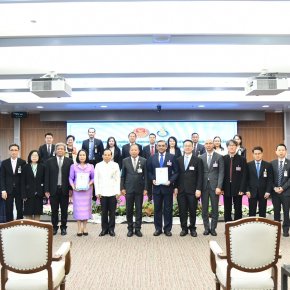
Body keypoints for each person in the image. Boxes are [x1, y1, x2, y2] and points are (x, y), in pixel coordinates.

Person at [147, 140, 179, 237]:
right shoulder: (152, 158)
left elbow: (176, 172)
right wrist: (152, 179)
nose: (161, 147)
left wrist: (170, 181)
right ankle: (158, 229)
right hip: (156, 188)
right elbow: (148, 171)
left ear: (166, 147)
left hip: (168, 187)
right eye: (159, 146)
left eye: (163, 146)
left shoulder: (172, 157)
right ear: (156, 147)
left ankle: (167, 229)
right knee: (157, 209)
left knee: (168, 209)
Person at [174, 140, 203, 237]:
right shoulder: (178, 160)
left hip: (193, 190)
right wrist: (175, 187)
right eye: (185, 146)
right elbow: (176, 175)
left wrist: (198, 189)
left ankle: (192, 228)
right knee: (182, 211)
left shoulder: (198, 160)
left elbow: (200, 176)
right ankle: (184, 229)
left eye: (189, 146)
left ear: (192, 147)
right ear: (183, 147)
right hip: (181, 190)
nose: (187, 147)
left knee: (192, 210)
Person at [45, 143, 74, 235]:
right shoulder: (49, 161)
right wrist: (46, 190)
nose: (60, 150)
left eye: (62, 149)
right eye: (58, 149)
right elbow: (47, 177)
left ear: (64, 150)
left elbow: (71, 176)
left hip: (65, 189)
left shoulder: (69, 161)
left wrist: (71, 189)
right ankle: (54, 227)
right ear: (55, 150)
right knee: (54, 210)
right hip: (53, 189)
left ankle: (64, 227)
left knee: (64, 210)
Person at [121, 144, 147, 237]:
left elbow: (146, 176)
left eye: (136, 150)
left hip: (140, 189)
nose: (134, 151)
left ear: (138, 151)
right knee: (129, 210)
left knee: (139, 210)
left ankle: (138, 229)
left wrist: (145, 188)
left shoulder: (144, 160)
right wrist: (122, 188)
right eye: (132, 150)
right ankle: (130, 229)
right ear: (129, 151)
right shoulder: (125, 160)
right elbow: (122, 176)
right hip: (128, 189)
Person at [200, 138, 224, 236]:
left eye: (210, 143)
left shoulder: (219, 157)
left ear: (213, 145)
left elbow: (221, 173)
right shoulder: (201, 157)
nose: (209, 145)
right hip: (204, 186)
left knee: (215, 209)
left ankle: (213, 228)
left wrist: (219, 186)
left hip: (215, 187)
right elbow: (199, 174)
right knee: (204, 209)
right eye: (207, 143)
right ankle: (206, 228)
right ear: (204, 145)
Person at [94, 149, 120, 237]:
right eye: (105, 155)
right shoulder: (98, 165)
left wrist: (117, 191)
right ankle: (104, 229)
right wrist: (97, 191)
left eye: (109, 155)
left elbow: (118, 179)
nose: (107, 156)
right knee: (104, 212)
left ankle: (111, 229)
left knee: (112, 212)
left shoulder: (115, 165)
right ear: (102, 156)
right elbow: (96, 180)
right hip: (102, 192)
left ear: (111, 156)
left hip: (113, 192)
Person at [69, 150, 94, 236]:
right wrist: (73, 187)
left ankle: (85, 227)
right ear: (78, 156)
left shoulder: (91, 166)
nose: (82, 157)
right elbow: (70, 178)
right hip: (77, 191)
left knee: (86, 209)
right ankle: (79, 228)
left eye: (83, 155)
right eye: (80, 155)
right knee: (78, 209)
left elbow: (93, 178)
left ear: (86, 156)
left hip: (87, 191)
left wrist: (89, 184)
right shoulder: (73, 166)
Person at [222, 139, 247, 222]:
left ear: (236, 147)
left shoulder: (242, 159)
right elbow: (221, 174)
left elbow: (244, 175)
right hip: (226, 188)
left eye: (233, 145)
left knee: (238, 208)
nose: (231, 147)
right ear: (227, 147)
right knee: (227, 208)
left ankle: (238, 226)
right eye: (230, 145)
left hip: (238, 188)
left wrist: (242, 189)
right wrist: (221, 188)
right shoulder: (223, 158)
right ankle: (228, 225)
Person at [0, 144, 26, 222]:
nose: (13, 152)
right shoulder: (4, 163)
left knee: (19, 208)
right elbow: (2, 177)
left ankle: (19, 224)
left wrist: (24, 191)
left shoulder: (22, 162)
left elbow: (24, 178)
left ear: (18, 151)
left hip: (19, 189)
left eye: (15, 150)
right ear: (9, 151)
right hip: (8, 190)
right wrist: (3, 190)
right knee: (8, 208)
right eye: (12, 150)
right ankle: (9, 225)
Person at [246, 146, 273, 218]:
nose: (257, 155)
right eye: (255, 154)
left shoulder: (268, 165)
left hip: (264, 192)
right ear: (253, 154)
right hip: (252, 192)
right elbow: (246, 179)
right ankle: (252, 228)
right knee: (251, 213)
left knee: (262, 212)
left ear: (262, 154)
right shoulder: (248, 165)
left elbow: (270, 180)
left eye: (259, 153)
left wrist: (268, 191)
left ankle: (262, 228)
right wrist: (247, 190)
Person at [271, 144, 290, 237]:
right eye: (279, 150)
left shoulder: (289, 163)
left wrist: (282, 188)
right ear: (276, 152)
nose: (281, 152)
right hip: (275, 193)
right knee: (276, 211)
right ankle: (276, 229)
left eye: (283, 150)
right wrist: (274, 188)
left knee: (286, 211)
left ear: (286, 151)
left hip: (286, 192)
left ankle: (286, 230)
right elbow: (269, 178)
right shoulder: (272, 163)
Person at [21, 150, 45, 221]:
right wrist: (23, 195)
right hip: (28, 194)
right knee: (29, 212)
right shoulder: (25, 167)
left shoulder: (42, 167)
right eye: (33, 155)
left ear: (39, 157)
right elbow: (23, 182)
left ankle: (37, 229)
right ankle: (30, 229)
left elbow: (44, 180)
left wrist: (44, 192)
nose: (34, 157)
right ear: (30, 157)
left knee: (37, 212)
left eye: (36, 155)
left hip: (39, 193)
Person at [142, 133, 157, 201]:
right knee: (149, 185)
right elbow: (143, 159)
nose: (152, 138)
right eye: (150, 137)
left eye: (153, 137)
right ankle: (149, 200)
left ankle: (157, 200)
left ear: (155, 138)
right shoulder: (145, 148)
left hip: (157, 170)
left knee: (156, 185)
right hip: (148, 170)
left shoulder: (158, 147)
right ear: (149, 138)